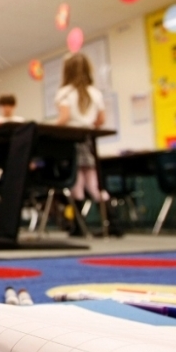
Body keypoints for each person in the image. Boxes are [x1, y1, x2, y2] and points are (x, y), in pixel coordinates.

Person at [54, 52, 119, 236]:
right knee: (94, 185)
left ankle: (78, 227)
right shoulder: (96, 93)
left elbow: (64, 118)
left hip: (72, 142)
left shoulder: (64, 92)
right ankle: (113, 223)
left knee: (76, 184)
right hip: (89, 142)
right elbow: (101, 120)